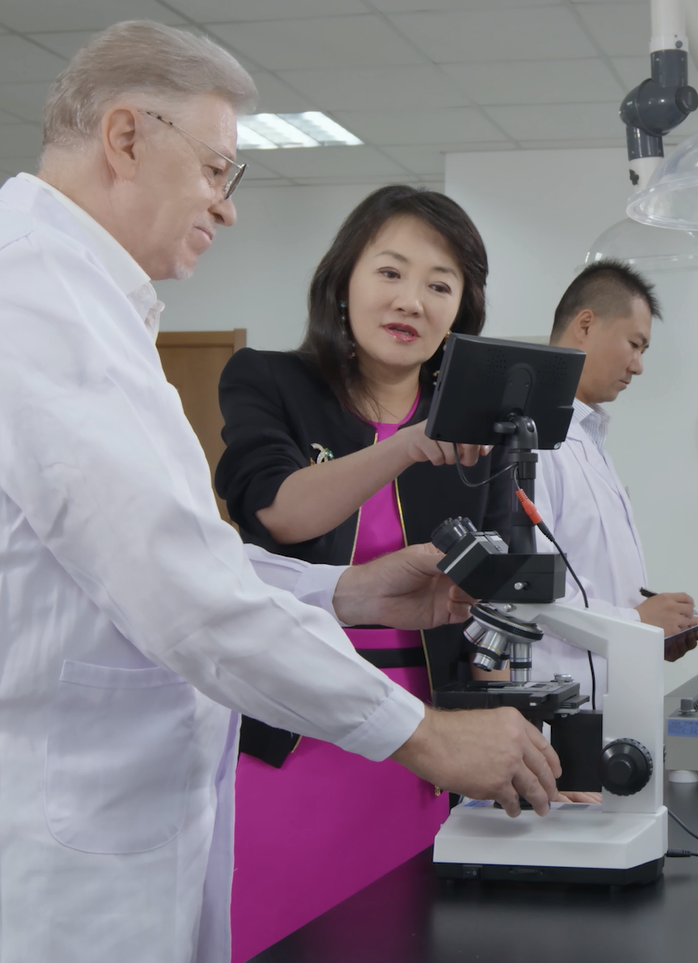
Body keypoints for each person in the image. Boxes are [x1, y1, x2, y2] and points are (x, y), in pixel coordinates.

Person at [0, 22, 559, 963]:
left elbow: (175, 553)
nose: (226, 208)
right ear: (125, 137)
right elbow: (178, 587)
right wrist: (423, 734)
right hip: (17, 869)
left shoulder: (81, 300)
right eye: (217, 170)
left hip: (97, 835)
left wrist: (343, 589)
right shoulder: (19, 287)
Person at [212, 185, 513, 953]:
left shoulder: (477, 430)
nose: (411, 299)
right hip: (293, 736)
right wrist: (405, 445)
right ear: (343, 280)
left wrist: (512, 732)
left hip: (425, 744)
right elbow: (277, 510)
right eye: (390, 272)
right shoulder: (269, 381)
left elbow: (501, 584)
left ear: (461, 311)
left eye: (440, 284)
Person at [529, 260, 698, 704]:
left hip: (612, 698)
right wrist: (638, 622)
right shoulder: (530, 440)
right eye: (634, 344)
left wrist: (652, 630)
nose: (638, 366)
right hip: (558, 705)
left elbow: (592, 578)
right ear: (585, 325)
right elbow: (530, 592)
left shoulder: (589, 438)